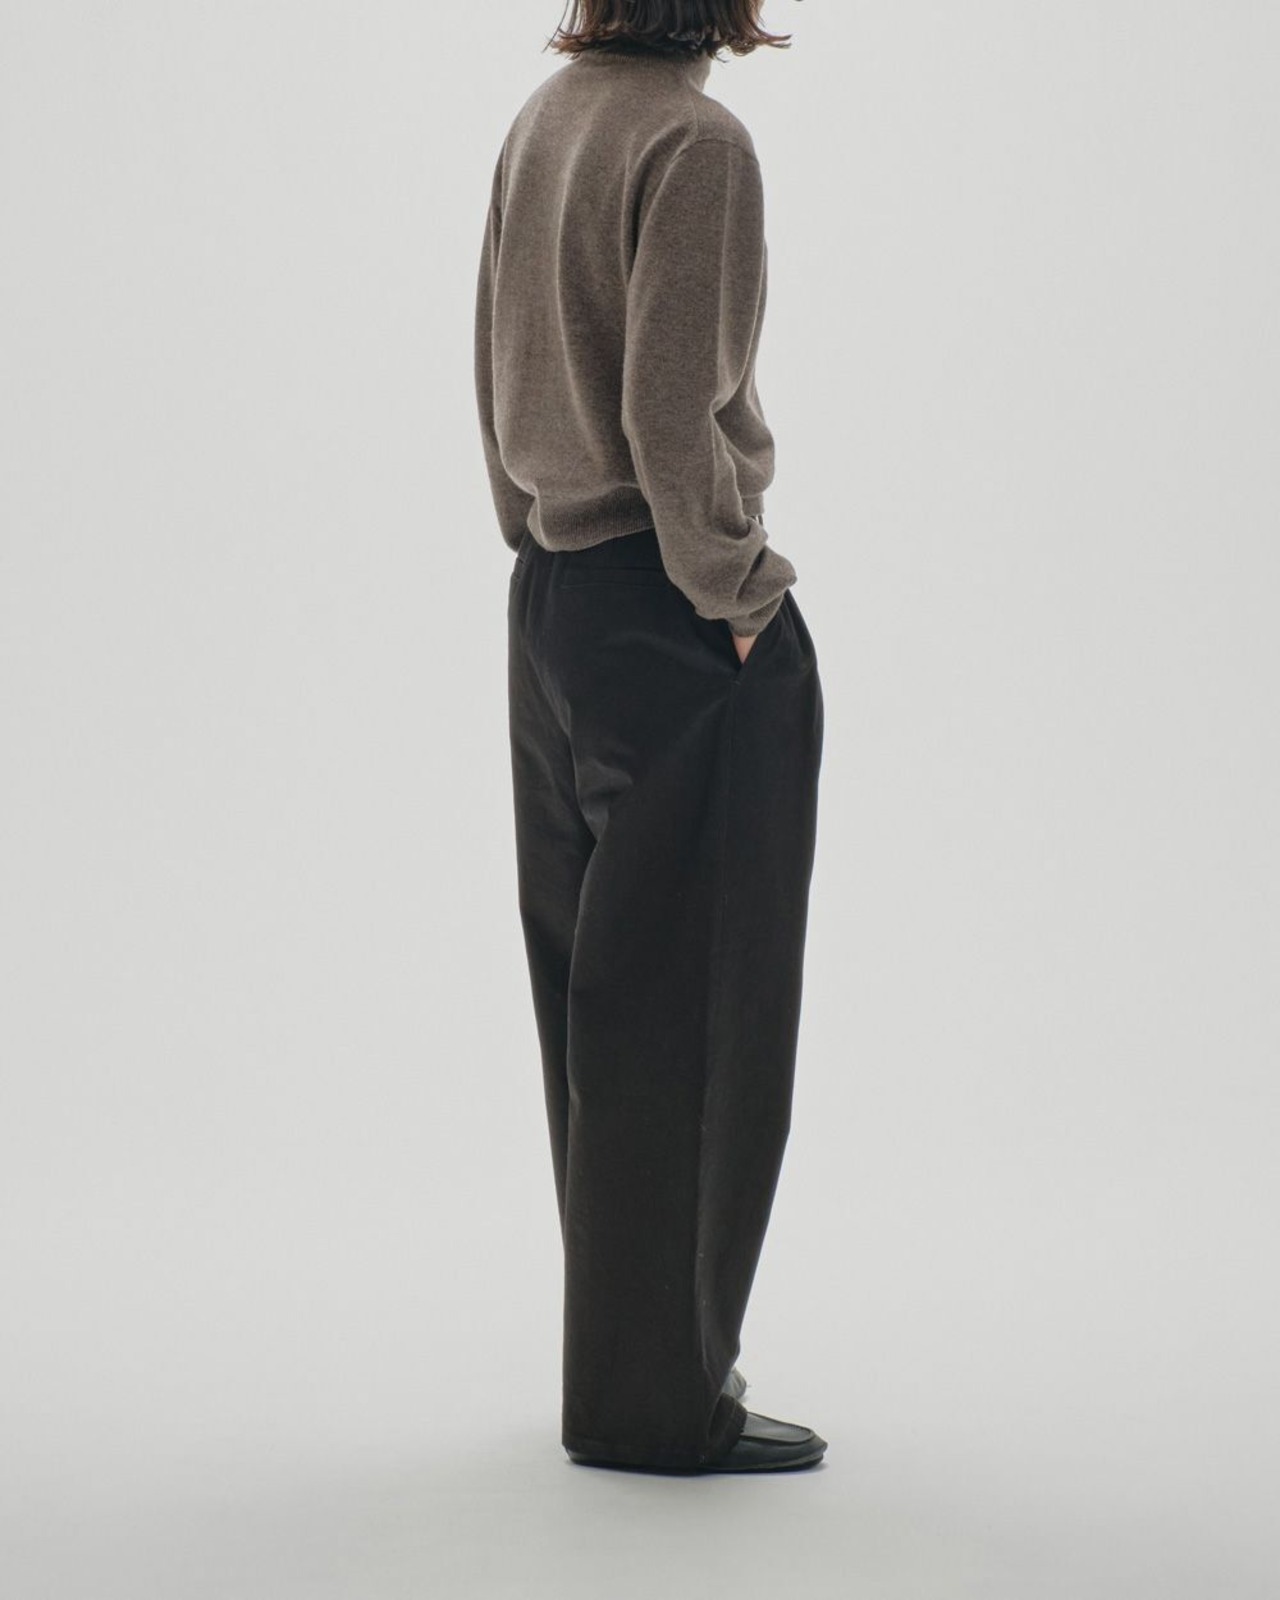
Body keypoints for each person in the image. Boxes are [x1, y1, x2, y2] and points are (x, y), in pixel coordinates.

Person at [473, 0, 826, 1474]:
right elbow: (673, 414)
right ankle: (661, 1403)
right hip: (675, 613)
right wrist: (735, 594)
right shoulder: (695, 142)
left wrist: (534, 538)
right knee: (698, 1018)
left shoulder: (546, 119)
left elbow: (493, 359)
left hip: (555, 601)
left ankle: (631, 1385)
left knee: (599, 1015)